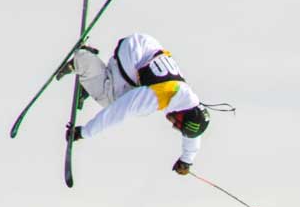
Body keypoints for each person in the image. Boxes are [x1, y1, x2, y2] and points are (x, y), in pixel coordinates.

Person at [58, 33, 211, 174]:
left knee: (126, 92)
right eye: (178, 124)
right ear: (182, 114)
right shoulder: (158, 96)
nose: (173, 125)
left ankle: (93, 79)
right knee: (112, 100)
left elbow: (192, 132)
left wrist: (187, 159)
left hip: (145, 47)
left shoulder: (186, 97)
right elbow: (118, 111)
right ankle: (84, 62)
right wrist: (84, 132)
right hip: (132, 52)